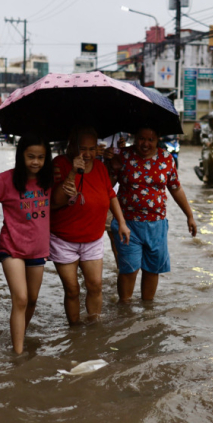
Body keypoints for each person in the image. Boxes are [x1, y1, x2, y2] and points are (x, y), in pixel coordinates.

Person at [0, 134, 54, 354]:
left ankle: (18, 335)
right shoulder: (6, 179)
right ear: (21, 155)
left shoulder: (50, 180)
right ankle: (18, 355)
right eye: (30, 156)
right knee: (21, 298)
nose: (35, 162)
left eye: (41, 157)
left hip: (37, 249)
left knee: (32, 300)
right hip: (11, 248)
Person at [107, 126, 197, 303]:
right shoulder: (123, 156)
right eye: (141, 138)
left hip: (156, 225)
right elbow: (107, 188)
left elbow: (175, 188)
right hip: (127, 224)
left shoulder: (166, 158)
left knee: (152, 269)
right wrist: (110, 165)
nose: (145, 144)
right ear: (134, 137)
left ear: (158, 140)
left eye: (151, 140)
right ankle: (124, 310)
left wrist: (190, 216)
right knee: (129, 269)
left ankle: (147, 312)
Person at [50, 126, 130, 325]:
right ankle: (75, 331)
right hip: (63, 239)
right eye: (82, 148)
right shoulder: (59, 163)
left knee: (95, 286)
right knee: (72, 290)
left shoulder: (101, 167)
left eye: (92, 149)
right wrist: (72, 173)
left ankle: (93, 329)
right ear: (71, 147)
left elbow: (111, 195)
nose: (87, 154)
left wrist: (121, 223)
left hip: (93, 238)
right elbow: (55, 201)